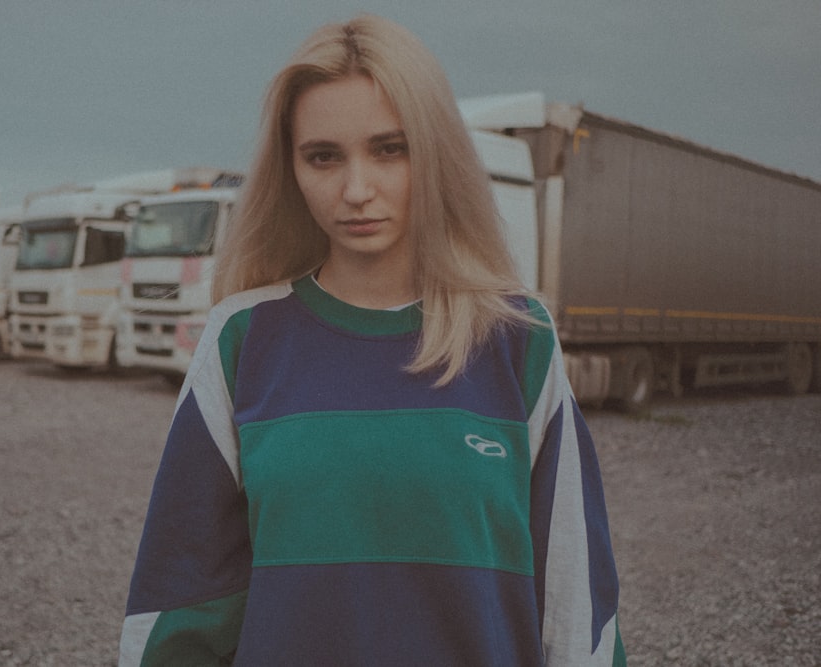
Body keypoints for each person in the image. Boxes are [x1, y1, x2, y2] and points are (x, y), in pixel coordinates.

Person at [119, 13, 626, 666]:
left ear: (434, 151)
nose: (356, 190)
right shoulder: (242, 340)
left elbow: (577, 607)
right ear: (291, 167)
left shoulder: (516, 340)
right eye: (323, 156)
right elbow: (178, 599)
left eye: (390, 148)